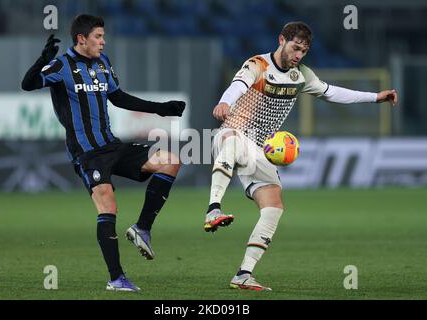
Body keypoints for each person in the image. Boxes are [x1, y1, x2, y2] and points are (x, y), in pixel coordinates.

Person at [204, 21, 397, 291]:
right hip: (230, 134)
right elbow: (238, 85)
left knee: (273, 207)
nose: (298, 56)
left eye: (303, 52)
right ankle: (213, 209)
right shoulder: (257, 64)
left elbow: (332, 93)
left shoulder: (301, 75)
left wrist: (375, 97)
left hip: (259, 150)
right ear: (282, 40)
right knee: (232, 139)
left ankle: (244, 274)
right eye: (295, 48)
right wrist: (225, 101)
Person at [21, 14, 185, 292]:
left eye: (103, 36)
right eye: (98, 36)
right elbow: (28, 84)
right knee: (108, 205)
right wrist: (42, 59)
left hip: (112, 145)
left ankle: (142, 228)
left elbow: (118, 97)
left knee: (170, 161)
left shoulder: (103, 63)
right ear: (81, 39)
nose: (103, 41)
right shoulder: (61, 65)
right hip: (87, 153)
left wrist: (160, 108)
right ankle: (116, 278)